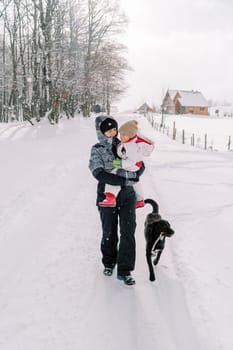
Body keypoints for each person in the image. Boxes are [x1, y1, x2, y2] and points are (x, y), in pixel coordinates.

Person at [89, 115, 144, 286]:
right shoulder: (97, 149)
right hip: (107, 195)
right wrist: (125, 180)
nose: (112, 132)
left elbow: (140, 164)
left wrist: (136, 174)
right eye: (108, 129)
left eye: (114, 129)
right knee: (109, 231)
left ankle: (125, 269)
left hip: (127, 194)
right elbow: (98, 172)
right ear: (101, 131)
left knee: (128, 231)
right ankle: (109, 261)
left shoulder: (125, 144)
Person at [99, 120, 154, 209]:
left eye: (124, 135)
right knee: (134, 181)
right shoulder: (129, 142)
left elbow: (130, 161)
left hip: (131, 165)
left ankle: (110, 197)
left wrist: (117, 163)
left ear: (131, 134)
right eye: (121, 134)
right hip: (133, 165)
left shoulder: (131, 146)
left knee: (114, 174)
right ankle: (140, 200)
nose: (121, 137)